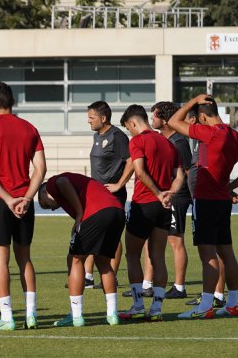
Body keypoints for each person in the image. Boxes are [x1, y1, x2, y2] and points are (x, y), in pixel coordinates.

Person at [167, 94, 238, 319]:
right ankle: (232, 303)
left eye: (197, 118)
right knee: (226, 251)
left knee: (207, 254)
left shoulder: (209, 133)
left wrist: (191, 100)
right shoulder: (235, 136)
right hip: (221, 202)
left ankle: (206, 306)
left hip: (205, 201)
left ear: (202, 116)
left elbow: (173, 122)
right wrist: (229, 187)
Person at [0, 81, 46, 331]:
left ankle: (7, 317)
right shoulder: (29, 129)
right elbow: (41, 169)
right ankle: (31, 314)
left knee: (0, 261)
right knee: (25, 258)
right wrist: (26, 198)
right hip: (24, 202)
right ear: (12, 102)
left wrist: (8, 199)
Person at [118, 104, 183, 321]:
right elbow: (179, 175)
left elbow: (139, 170)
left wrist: (157, 193)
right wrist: (169, 194)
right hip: (164, 206)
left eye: (129, 128)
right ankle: (156, 309)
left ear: (133, 123)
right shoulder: (168, 142)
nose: (130, 132)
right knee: (158, 257)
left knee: (132, 254)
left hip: (144, 204)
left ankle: (137, 305)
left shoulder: (138, 140)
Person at [37, 173, 126, 327]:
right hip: (117, 211)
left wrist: (79, 212)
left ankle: (76, 316)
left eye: (45, 204)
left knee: (75, 260)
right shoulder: (73, 191)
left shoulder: (53, 184)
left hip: (98, 212)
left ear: (44, 193)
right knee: (104, 262)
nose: (51, 209)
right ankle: (112, 314)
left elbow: (62, 181)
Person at [149, 101, 193, 300]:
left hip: (177, 197)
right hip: (162, 196)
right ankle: (148, 283)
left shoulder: (179, 142)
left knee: (175, 241)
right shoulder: (160, 139)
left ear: (165, 121)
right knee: (153, 240)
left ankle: (179, 287)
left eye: (154, 117)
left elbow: (185, 172)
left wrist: (178, 195)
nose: (151, 120)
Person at [84, 101, 129, 288]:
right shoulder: (97, 135)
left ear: (103, 118)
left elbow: (132, 160)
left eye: (91, 117)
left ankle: (112, 275)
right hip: (96, 194)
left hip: (112, 196)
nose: (88, 121)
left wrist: (119, 184)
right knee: (91, 231)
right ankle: (87, 276)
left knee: (113, 236)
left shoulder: (118, 136)